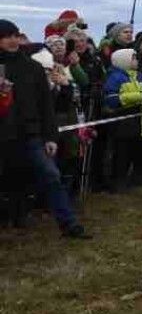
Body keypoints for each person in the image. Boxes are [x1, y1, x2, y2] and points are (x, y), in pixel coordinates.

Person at [0, 20, 88, 236]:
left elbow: (46, 106)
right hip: (3, 135)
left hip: (31, 134)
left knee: (51, 176)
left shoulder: (33, 67)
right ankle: (13, 218)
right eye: (6, 36)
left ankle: (68, 223)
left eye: (15, 35)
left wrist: (50, 137)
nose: (12, 40)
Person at [102, 48, 142, 190]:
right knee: (120, 153)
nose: (137, 60)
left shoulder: (141, 76)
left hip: (138, 120)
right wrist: (139, 97)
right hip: (121, 121)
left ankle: (132, 179)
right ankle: (117, 181)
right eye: (133, 58)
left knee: (134, 151)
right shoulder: (114, 77)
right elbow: (111, 99)